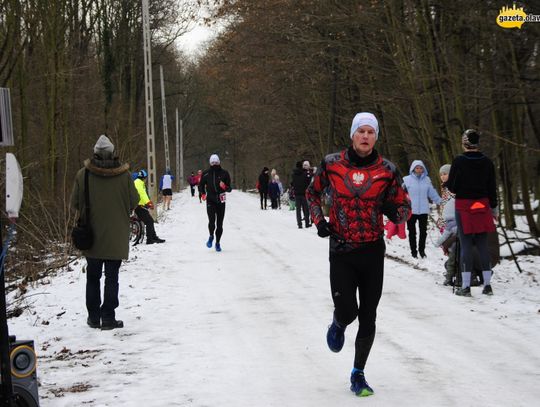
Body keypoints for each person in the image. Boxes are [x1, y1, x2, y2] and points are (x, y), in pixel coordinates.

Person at [307, 112, 410, 397]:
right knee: (349, 312)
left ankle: (358, 374)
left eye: (371, 132)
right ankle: (339, 322)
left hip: (372, 251)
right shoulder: (331, 164)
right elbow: (311, 194)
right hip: (341, 249)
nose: (365, 136)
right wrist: (319, 221)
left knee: (368, 315)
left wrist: (394, 211)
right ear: (352, 134)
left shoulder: (388, 170)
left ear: (376, 137)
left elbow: (405, 207)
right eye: (361, 131)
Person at [70, 135, 139, 330]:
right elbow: (134, 201)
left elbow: (74, 203)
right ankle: (108, 317)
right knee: (112, 277)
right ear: (112, 153)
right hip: (116, 236)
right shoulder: (124, 176)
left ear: (94, 153)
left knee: (92, 277)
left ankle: (93, 317)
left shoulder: (82, 175)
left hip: (91, 236)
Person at [447, 129, 498, 297]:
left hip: (463, 206)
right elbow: (492, 188)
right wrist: (493, 207)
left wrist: (449, 184)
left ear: (464, 142)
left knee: (466, 245)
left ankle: (466, 287)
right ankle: (487, 285)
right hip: (482, 205)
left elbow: (453, 187)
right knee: (483, 245)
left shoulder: (459, 161)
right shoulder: (487, 162)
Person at [402, 160, 441, 258]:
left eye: (420, 168)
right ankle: (413, 252)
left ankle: (422, 251)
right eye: (417, 168)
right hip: (411, 210)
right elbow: (400, 194)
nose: (419, 170)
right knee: (412, 232)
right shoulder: (406, 180)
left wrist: (441, 202)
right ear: (413, 169)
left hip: (423, 210)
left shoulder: (427, 180)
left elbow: (432, 193)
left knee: (423, 232)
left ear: (423, 169)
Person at [199, 154, 232, 252]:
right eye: (213, 163)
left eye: (216, 162)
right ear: (210, 163)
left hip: (221, 200)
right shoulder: (206, 173)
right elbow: (200, 186)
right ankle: (211, 236)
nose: (215, 164)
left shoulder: (225, 173)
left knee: (220, 224)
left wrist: (224, 187)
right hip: (210, 200)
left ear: (219, 162)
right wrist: (203, 194)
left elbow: (230, 188)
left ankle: (217, 243)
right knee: (212, 222)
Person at [436, 164, 458, 286]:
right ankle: (452, 270)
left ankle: (453, 272)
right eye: (441, 175)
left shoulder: (454, 187)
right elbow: (443, 205)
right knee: (448, 248)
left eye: (445, 174)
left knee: (452, 248)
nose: (443, 176)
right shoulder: (444, 187)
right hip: (445, 222)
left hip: (453, 223)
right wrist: (441, 222)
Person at [134, 170, 166, 244]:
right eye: (146, 178)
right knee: (149, 221)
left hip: (139, 205)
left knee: (150, 220)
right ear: (144, 177)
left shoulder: (137, 182)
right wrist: (148, 202)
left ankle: (153, 237)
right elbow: (142, 194)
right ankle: (149, 239)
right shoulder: (139, 183)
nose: (146, 180)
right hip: (138, 206)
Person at [292, 160, 311, 228]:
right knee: (305, 209)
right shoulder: (305, 173)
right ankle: (307, 223)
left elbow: (292, 183)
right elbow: (309, 182)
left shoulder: (293, 174)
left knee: (298, 210)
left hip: (297, 194)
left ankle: (299, 224)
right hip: (303, 193)